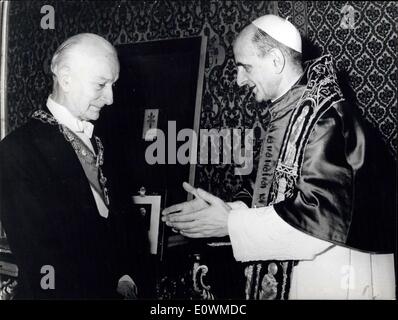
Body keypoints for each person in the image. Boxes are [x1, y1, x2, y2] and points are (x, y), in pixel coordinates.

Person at [162, 15, 396, 299]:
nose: (239, 80)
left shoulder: (325, 119)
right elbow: (276, 195)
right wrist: (227, 209)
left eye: (245, 67)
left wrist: (229, 223)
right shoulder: (290, 111)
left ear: (275, 61)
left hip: (331, 273)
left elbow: (314, 220)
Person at [0, 33, 147, 299]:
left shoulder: (105, 143)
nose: (111, 98)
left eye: (113, 84)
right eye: (101, 84)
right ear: (66, 78)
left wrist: (127, 277)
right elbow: (42, 260)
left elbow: (126, 230)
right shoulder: (17, 151)